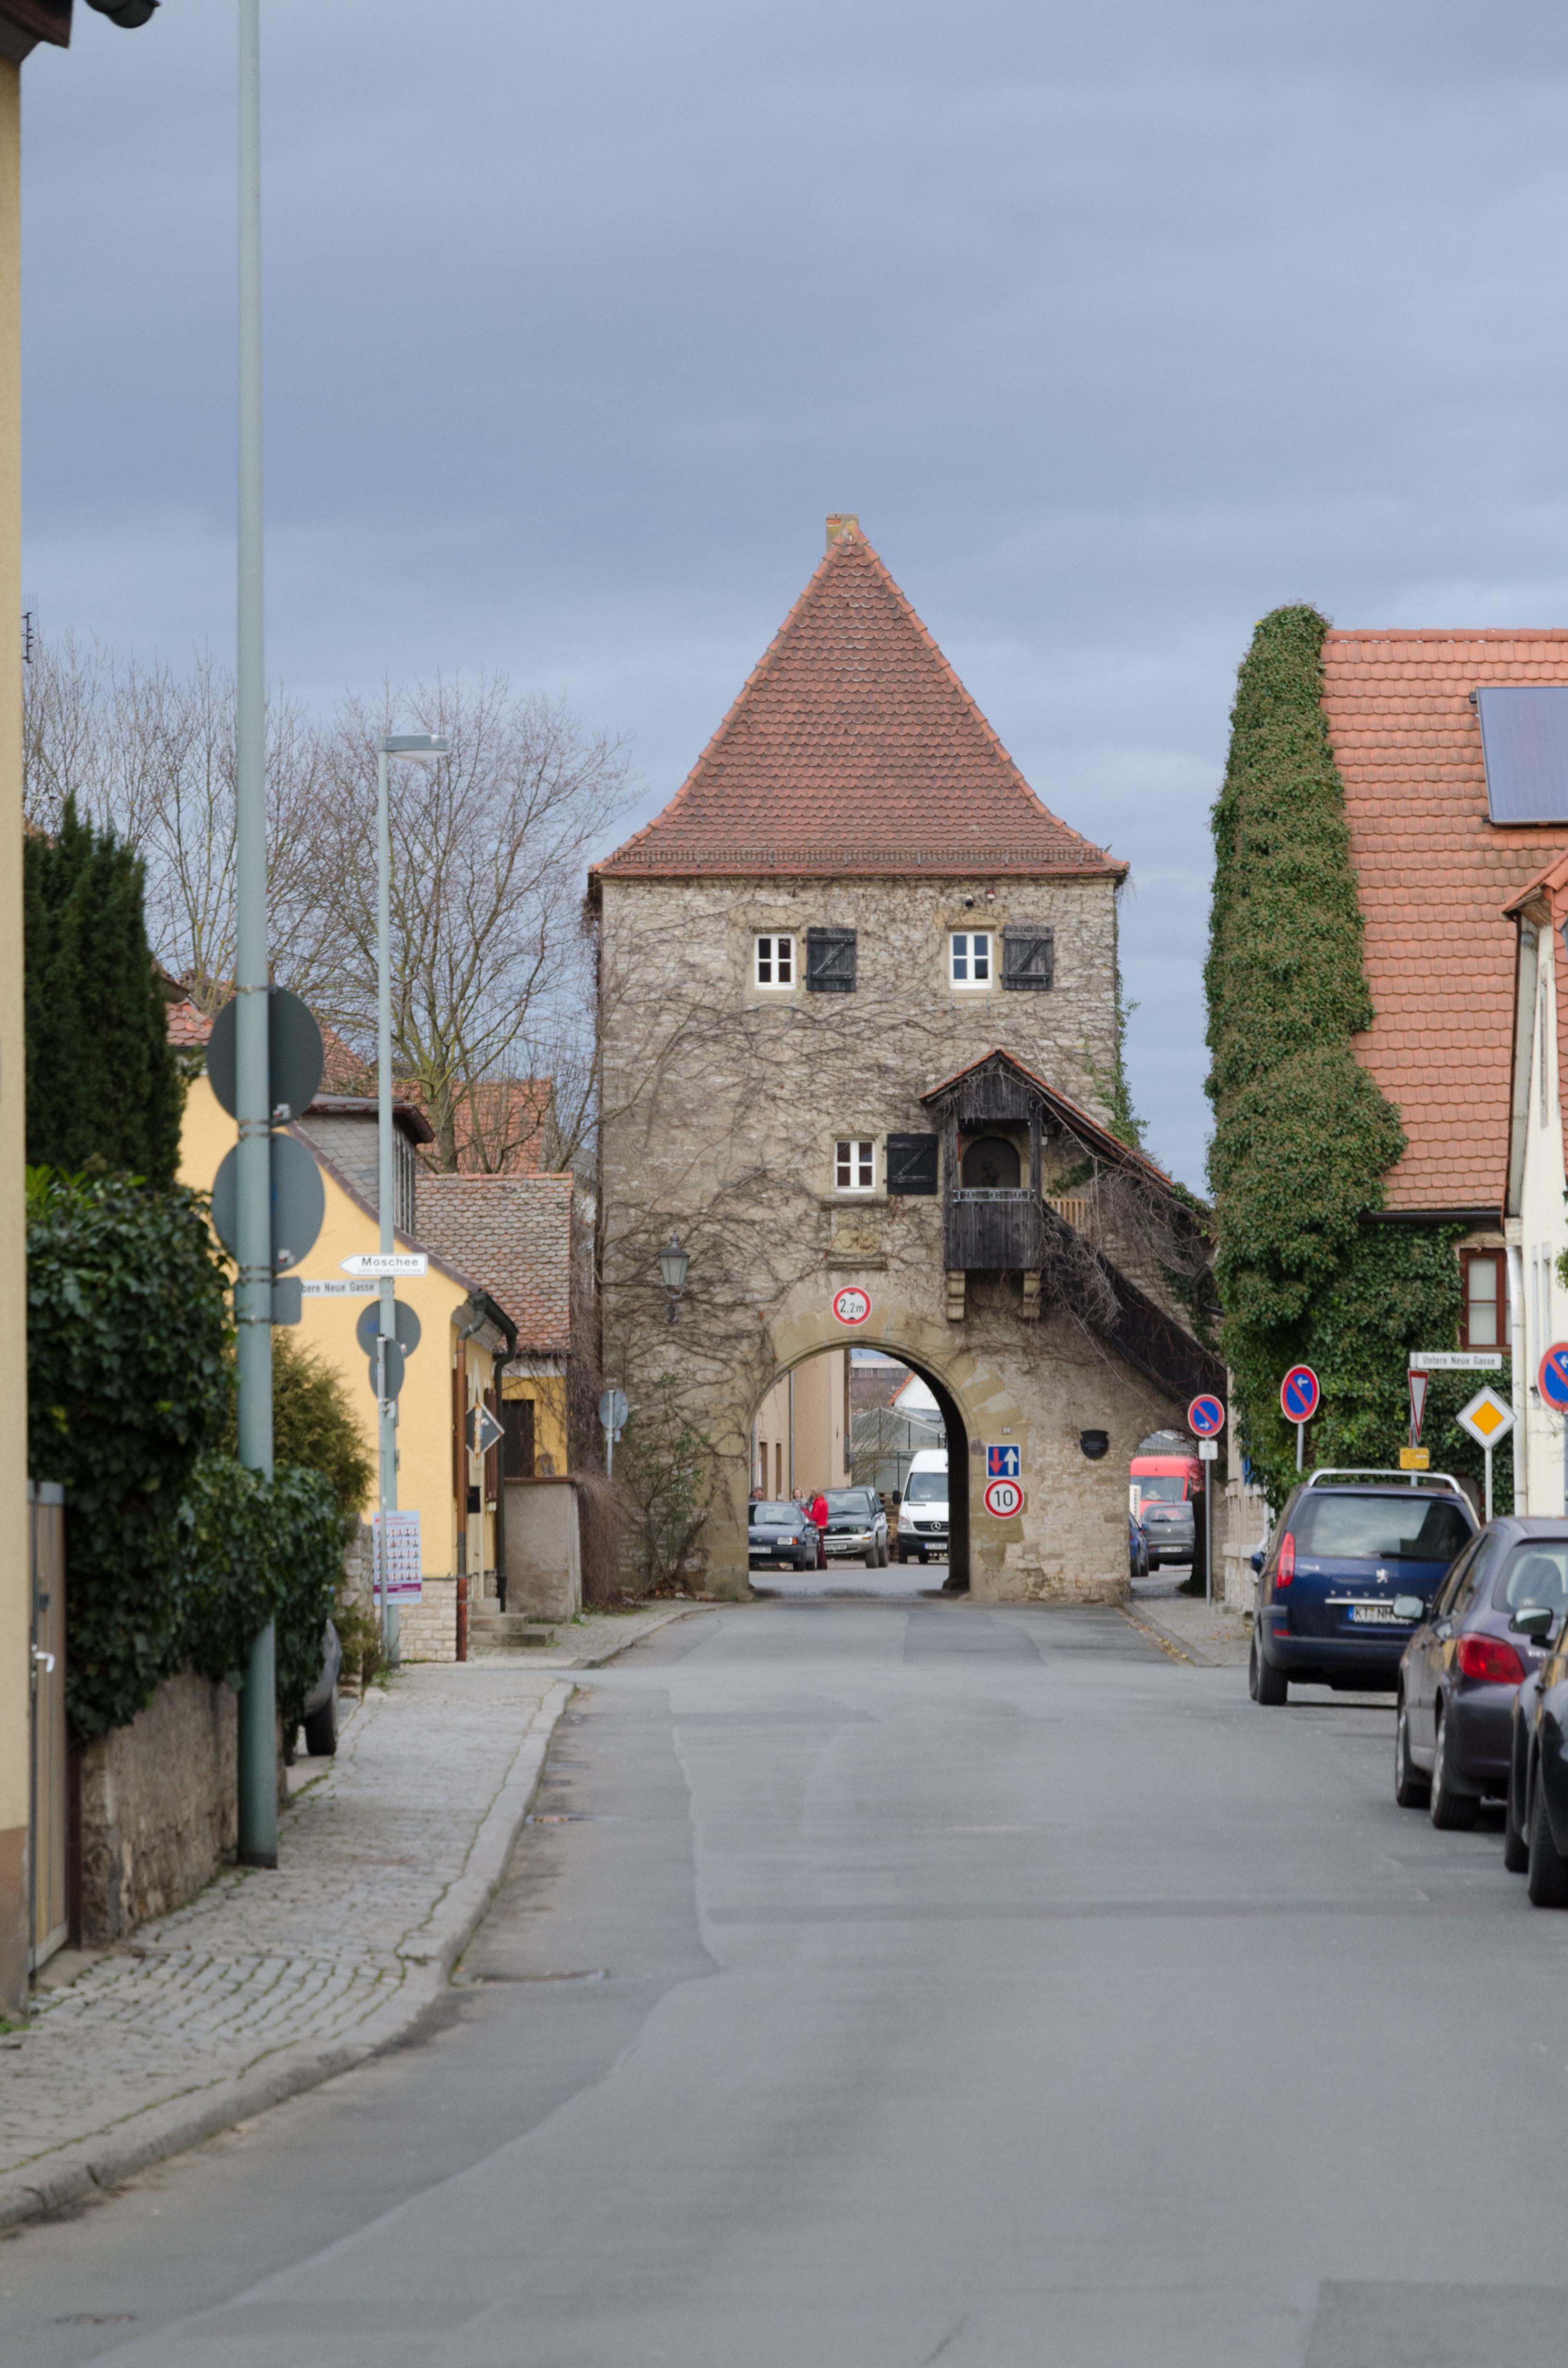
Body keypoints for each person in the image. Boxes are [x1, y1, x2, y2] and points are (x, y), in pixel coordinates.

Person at [808, 1489, 830, 1570]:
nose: (812, 1495)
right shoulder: (824, 1501)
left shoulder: (818, 1503)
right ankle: (823, 1564)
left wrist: (810, 1518)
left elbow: (815, 1516)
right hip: (823, 1524)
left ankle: (821, 1564)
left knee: (820, 1546)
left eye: (813, 1494)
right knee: (822, 1545)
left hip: (819, 1526)